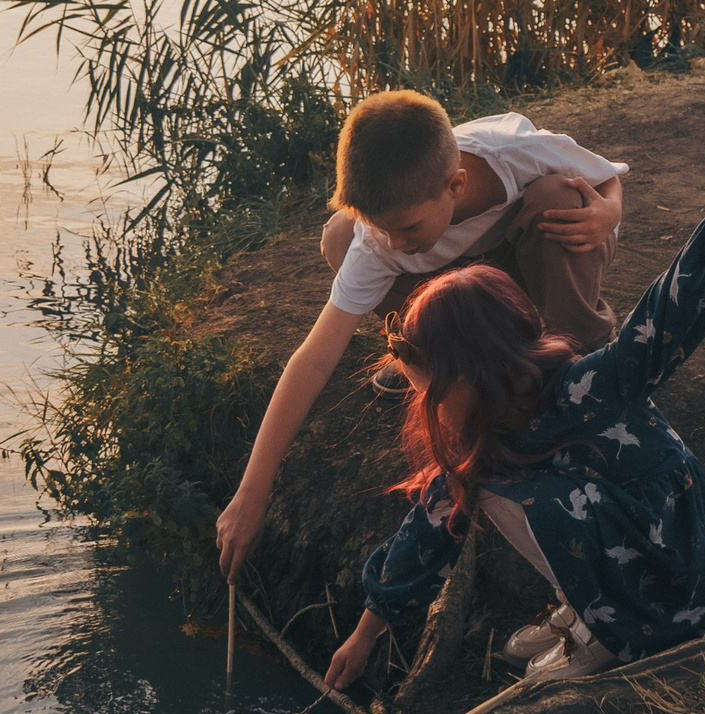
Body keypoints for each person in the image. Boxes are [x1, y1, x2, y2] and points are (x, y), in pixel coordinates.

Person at [321, 170, 705, 689]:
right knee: (466, 483)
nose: (428, 407)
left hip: (673, 559)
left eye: (432, 392)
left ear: (469, 374)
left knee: (492, 486)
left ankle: (609, 629)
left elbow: (667, 314)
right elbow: (425, 533)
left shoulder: (585, 384)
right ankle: (587, 604)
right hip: (631, 541)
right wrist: (364, 635)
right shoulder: (490, 418)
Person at [216, 90, 628, 582]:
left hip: (531, 261)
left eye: (406, 227)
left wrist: (610, 213)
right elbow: (314, 359)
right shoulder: (382, 240)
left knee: (558, 196)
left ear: (456, 185)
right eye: (384, 230)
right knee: (342, 237)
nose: (393, 244)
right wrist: (251, 493)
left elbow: (604, 176)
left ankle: (578, 355)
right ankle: (435, 351)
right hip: (464, 284)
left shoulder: (512, 151)